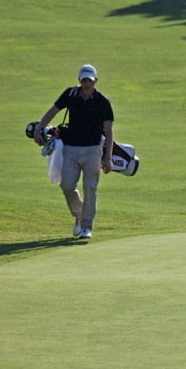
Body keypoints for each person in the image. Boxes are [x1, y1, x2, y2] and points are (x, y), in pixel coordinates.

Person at [33, 64, 114, 239]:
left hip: (93, 149)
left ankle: (86, 226)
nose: (87, 84)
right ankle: (79, 214)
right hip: (70, 148)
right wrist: (39, 127)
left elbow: (108, 132)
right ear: (79, 80)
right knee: (67, 185)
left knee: (90, 188)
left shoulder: (103, 102)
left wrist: (108, 159)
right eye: (84, 80)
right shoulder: (70, 94)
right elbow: (53, 111)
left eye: (90, 81)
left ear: (96, 81)